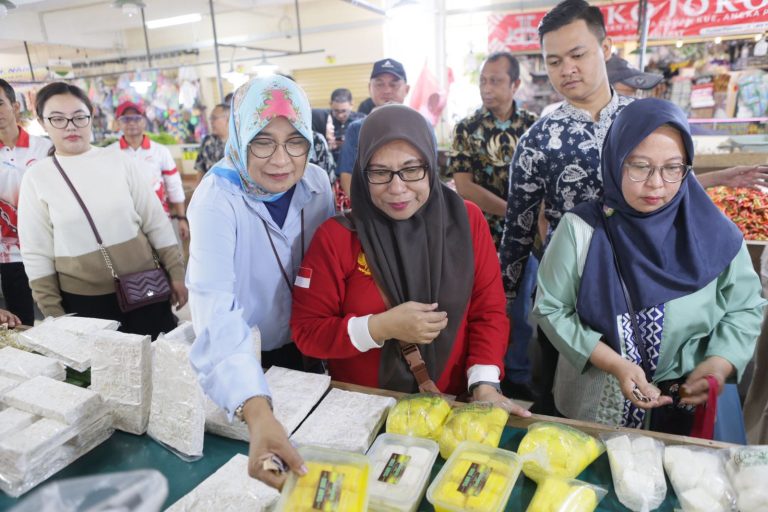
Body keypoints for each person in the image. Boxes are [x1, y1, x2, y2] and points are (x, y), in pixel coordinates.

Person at [500, 0, 768, 414]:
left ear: (606, 49)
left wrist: (714, 179)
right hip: (578, 287)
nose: (567, 69)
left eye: (577, 54)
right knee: (573, 403)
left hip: (657, 276)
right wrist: (503, 310)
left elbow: (673, 188)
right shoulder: (539, 139)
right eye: (554, 61)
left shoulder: (644, 118)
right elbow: (516, 230)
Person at [533, 98, 764, 434]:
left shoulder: (714, 233)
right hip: (595, 405)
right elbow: (552, 307)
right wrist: (613, 364)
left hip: (683, 406)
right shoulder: (582, 229)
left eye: (673, 168)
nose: (656, 183)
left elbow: (745, 307)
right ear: (614, 161)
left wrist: (719, 362)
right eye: (639, 166)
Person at [291, 104, 531, 417]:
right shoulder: (337, 238)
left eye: (411, 169)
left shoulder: (465, 221)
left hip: (451, 405)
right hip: (364, 412)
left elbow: (488, 310)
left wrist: (484, 383)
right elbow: (307, 333)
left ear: (431, 166)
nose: (397, 187)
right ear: (362, 173)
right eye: (379, 172)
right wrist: (379, 327)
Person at [186, 75, 334, 487]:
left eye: (295, 141)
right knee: (263, 469)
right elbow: (214, 309)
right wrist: (256, 408)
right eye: (263, 140)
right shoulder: (217, 199)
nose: (281, 160)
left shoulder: (317, 184)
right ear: (239, 134)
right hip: (248, 358)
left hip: (310, 347)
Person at [18, 82, 186, 339]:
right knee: (108, 374)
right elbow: (35, 251)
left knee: (162, 358)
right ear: (43, 123)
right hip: (85, 301)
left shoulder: (119, 161)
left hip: (145, 288)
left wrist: (176, 272)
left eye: (78, 117)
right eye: (58, 119)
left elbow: (155, 222)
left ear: (91, 116)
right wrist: (52, 311)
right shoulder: (37, 177)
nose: (71, 126)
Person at [448, 53, 538, 399]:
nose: (487, 88)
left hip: (524, 240)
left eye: (496, 80)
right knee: (478, 305)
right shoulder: (466, 128)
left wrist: (528, 225)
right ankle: (479, 374)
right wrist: (514, 214)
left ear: (515, 84)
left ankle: (515, 372)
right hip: (476, 234)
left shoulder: (533, 127)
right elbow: (465, 187)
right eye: (483, 80)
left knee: (518, 311)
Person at [0, 79, 52, 326]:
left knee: (57, 316)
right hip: (6, 255)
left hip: (43, 248)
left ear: (14, 105)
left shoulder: (44, 149)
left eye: (0, 103)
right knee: (19, 322)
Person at [110, 101, 189, 241]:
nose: (131, 123)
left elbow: (174, 186)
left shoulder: (160, 151)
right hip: (124, 224)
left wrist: (182, 218)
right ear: (118, 124)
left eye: (136, 118)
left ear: (144, 122)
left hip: (160, 220)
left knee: (167, 260)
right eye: (126, 119)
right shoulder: (109, 153)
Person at [337, 58, 410, 197]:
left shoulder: (421, 126)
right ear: (369, 88)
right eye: (379, 84)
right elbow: (347, 175)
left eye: (394, 84)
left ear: (406, 89)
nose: (387, 90)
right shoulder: (356, 129)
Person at [194, 102, 230, 181]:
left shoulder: (238, 143)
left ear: (227, 119)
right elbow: (200, 169)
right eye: (210, 118)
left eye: (214, 118)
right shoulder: (207, 141)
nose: (211, 121)